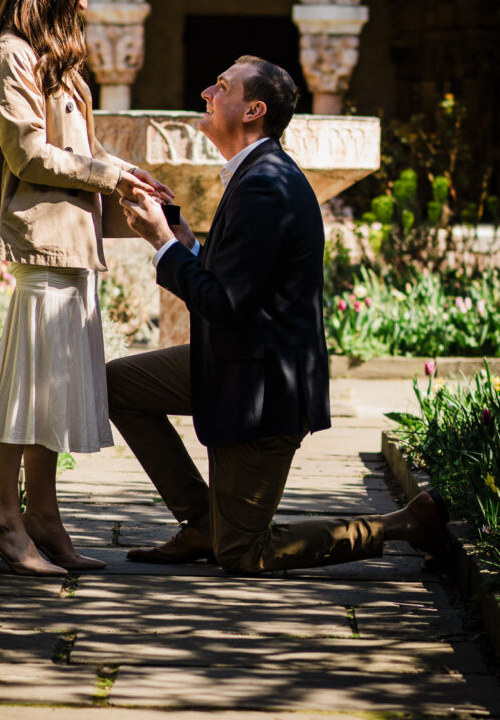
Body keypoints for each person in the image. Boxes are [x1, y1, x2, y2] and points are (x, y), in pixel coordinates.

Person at [107, 55, 450, 575]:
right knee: (118, 386)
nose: (206, 92)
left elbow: (224, 304)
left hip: (263, 390)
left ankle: (402, 524)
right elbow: (240, 283)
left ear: (253, 110)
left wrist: (160, 244)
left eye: (221, 87)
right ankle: (202, 521)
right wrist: (184, 243)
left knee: (243, 555)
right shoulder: (255, 174)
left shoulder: (265, 183)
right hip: (232, 362)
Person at [0, 0, 171, 577]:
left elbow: (78, 151)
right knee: (24, 390)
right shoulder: (11, 55)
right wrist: (106, 176)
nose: (87, 0)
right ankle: (2, 520)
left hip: (73, 247)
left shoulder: (55, 62)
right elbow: (27, 153)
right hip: (41, 242)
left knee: (50, 392)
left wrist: (126, 172)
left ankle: (45, 520)